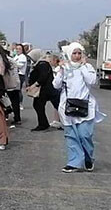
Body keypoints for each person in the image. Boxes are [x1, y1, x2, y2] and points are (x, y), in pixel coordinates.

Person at [53, 42, 105, 173]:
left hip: (85, 107)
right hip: (67, 107)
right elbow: (56, 85)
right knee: (71, 135)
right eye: (74, 53)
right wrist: (61, 70)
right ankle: (74, 162)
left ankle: (88, 158)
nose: (76, 56)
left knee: (85, 135)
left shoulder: (87, 67)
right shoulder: (64, 68)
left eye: (79, 53)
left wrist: (82, 66)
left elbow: (92, 81)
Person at [27, 52, 59, 131]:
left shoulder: (42, 64)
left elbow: (43, 76)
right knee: (56, 105)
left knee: (39, 105)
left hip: (44, 90)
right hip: (46, 89)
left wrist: (35, 84)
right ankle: (44, 123)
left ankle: (43, 124)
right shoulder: (43, 64)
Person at [4, 55, 22, 126]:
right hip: (15, 83)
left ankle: (8, 112)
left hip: (10, 83)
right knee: (15, 102)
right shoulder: (12, 60)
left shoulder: (6, 61)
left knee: (7, 101)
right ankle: (17, 118)